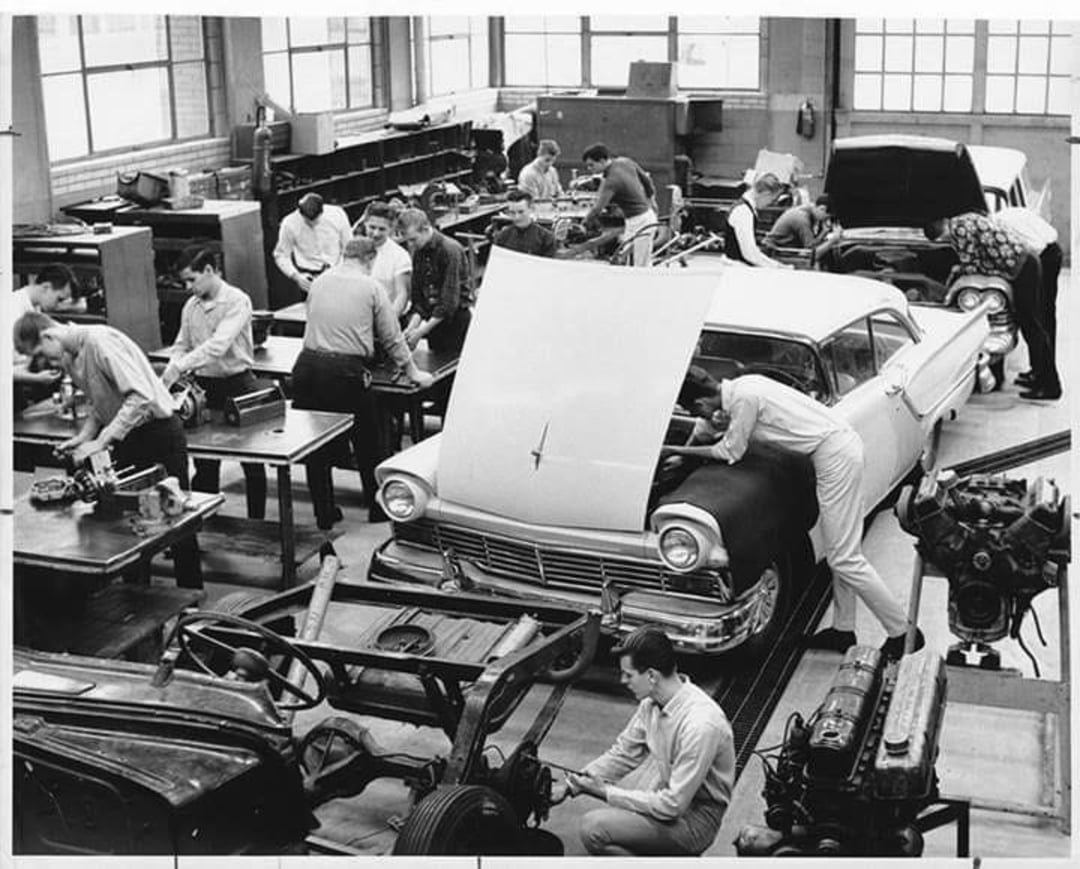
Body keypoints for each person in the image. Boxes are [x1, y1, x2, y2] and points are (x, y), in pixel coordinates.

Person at [664, 368, 923, 660]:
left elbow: (730, 452)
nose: (701, 415)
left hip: (835, 457)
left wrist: (675, 450)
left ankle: (902, 632)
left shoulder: (743, 400)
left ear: (701, 403)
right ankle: (843, 630)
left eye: (696, 411)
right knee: (843, 551)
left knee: (845, 558)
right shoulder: (745, 384)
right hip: (837, 450)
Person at [14, 312, 203, 588]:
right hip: (126, 438)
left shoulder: (101, 342)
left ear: (49, 335)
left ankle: (192, 598)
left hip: (158, 434)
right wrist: (84, 437)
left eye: (42, 354)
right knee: (127, 524)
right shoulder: (69, 356)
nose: (48, 364)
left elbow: (140, 397)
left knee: (177, 519)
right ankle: (136, 599)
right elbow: (98, 401)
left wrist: (101, 441)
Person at [551, 626, 734, 856]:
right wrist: (570, 786)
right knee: (622, 811)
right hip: (671, 797)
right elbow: (623, 754)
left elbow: (672, 806)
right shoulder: (651, 704)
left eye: (628, 675)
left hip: (697, 819)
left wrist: (605, 792)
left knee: (594, 828)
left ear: (651, 676)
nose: (623, 680)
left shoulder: (701, 724)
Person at [291, 237, 433, 528]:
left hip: (306, 368)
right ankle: (376, 507)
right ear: (370, 260)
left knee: (316, 444)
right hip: (344, 372)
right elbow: (392, 337)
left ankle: (324, 512)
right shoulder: (371, 287)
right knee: (369, 438)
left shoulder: (319, 282)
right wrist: (413, 371)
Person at [160, 246, 267, 520]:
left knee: (253, 461)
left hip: (238, 385)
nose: (189, 287)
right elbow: (181, 344)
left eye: (192, 279)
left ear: (209, 270)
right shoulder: (191, 306)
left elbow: (218, 346)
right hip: (205, 388)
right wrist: (173, 365)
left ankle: (256, 521)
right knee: (205, 463)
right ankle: (204, 521)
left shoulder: (237, 301)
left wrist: (180, 366)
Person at [925, 213, 1060, 401]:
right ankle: (1038, 377)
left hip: (1023, 267)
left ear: (942, 234)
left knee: (1032, 325)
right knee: (1029, 324)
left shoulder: (959, 230)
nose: (947, 242)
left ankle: (1050, 385)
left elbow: (971, 266)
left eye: (944, 240)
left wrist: (954, 276)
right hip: (1025, 262)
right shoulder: (964, 220)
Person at [991, 207, 1064, 391]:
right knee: (1042, 318)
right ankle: (1039, 372)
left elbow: (1032, 250)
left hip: (1044, 256)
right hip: (1051, 250)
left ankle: (1047, 381)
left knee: (1039, 319)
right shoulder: (1006, 215)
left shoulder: (998, 226)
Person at [396, 207, 473, 355]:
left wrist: (420, 332)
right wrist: (410, 329)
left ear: (426, 229)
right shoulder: (419, 252)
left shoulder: (450, 250)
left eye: (413, 239)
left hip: (455, 323)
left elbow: (448, 302)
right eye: (407, 241)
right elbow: (419, 298)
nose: (410, 245)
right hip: (434, 322)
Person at [581, 143, 658, 267]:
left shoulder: (612, 181)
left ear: (602, 161)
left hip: (640, 221)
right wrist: (651, 200)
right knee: (629, 260)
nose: (589, 169)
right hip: (642, 217)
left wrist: (585, 223)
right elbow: (647, 181)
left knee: (641, 265)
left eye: (591, 165)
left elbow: (598, 208)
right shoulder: (625, 161)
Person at [11, 264, 81, 388]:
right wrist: (35, 379)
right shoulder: (11, 309)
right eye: (59, 299)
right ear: (46, 287)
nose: (58, 306)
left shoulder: (35, 309)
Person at [273, 192, 352, 300]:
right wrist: (296, 276)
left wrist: (339, 269)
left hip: (338, 271)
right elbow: (281, 255)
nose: (312, 224)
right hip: (310, 277)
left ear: (322, 212)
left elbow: (349, 247)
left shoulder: (337, 215)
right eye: (307, 221)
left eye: (315, 221)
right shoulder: (289, 224)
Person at [355, 200, 413, 320]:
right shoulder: (353, 250)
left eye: (382, 229)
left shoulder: (400, 256)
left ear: (391, 228)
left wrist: (388, 322)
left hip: (387, 318)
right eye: (372, 227)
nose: (376, 234)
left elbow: (402, 295)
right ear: (365, 224)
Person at [724, 173, 790, 268]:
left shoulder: (747, 208)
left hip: (738, 266)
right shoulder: (743, 211)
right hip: (738, 268)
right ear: (766, 194)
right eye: (772, 200)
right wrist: (777, 266)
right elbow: (749, 254)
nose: (770, 204)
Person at [763, 194, 841, 266]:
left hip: (784, 247)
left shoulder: (808, 210)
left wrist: (824, 233)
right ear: (822, 208)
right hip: (775, 251)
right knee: (815, 263)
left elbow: (811, 243)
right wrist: (833, 240)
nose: (825, 220)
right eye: (826, 217)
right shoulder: (802, 220)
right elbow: (812, 253)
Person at [492, 189, 557, 258]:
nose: (517, 217)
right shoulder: (502, 237)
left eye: (521, 212)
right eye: (512, 212)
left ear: (531, 209)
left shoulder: (546, 239)